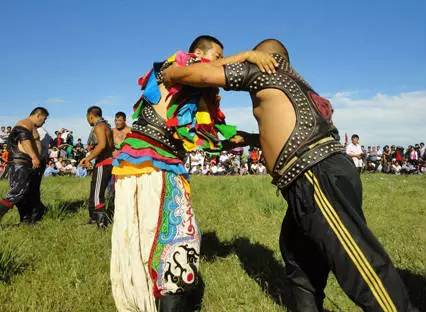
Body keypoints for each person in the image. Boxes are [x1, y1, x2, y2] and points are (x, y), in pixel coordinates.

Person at [163, 38, 415, 311]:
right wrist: (248, 138)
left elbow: (197, 74)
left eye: (252, 55)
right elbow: (278, 131)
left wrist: (169, 72)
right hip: (320, 173)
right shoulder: (298, 83)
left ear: (265, 57)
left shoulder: (264, 69)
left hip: (315, 175)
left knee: (357, 261)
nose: (245, 61)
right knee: (298, 254)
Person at [110, 35, 266, 312]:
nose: (220, 64)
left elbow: (213, 136)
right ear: (198, 52)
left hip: (148, 168)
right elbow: (198, 73)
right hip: (153, 168)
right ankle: (171, 302)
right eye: (217, 57)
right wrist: (246, 56)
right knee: (179, 238)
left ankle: (152, 300)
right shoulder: (177, 65)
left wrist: (258, 138)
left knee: (147, 240)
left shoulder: (193, 96)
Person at [0, 107, 49, 224]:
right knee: (17, 192)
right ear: (38, 115)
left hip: (24, 164)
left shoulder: (30, 125)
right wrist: (34, 157)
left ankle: (27, 219)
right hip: (20, 164)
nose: (44, 122)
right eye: (44, 119)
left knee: (27, 193)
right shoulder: (25, 124)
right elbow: (24, 140)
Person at [79, 106, 114, 227]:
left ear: (90, 116)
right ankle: (94, 218)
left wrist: (88, 158)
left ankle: (101, 223)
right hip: (107, 162)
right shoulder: (107, 126)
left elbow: (102, 145)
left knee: (97, 193)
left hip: (103, 163)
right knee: (96, 190)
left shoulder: (99, 126)